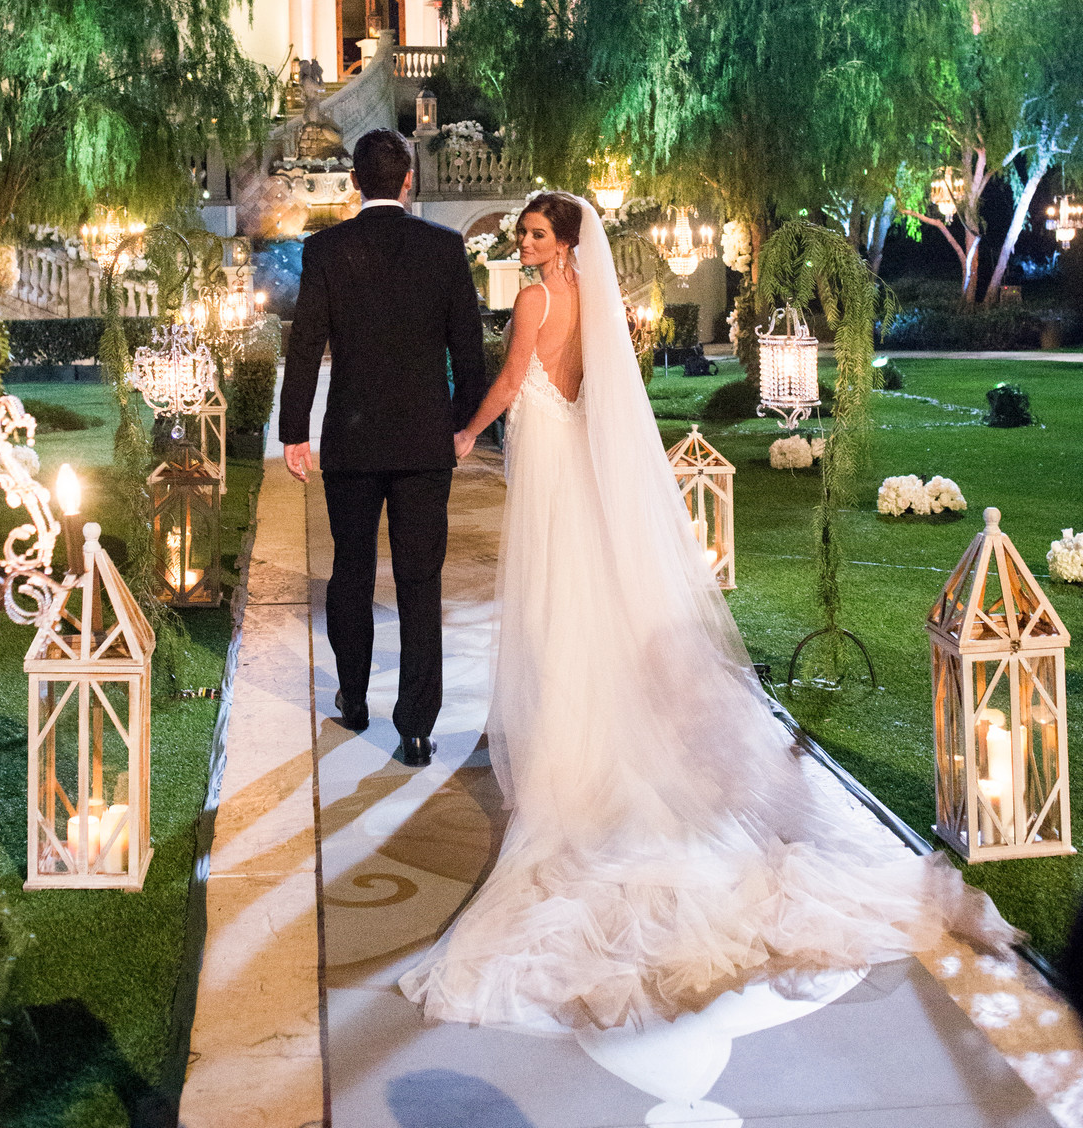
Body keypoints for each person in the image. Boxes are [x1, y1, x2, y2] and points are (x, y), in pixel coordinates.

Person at [400, 192, 1009, 1030]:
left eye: (536, 233)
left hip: (545, 465)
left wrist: (468, 432)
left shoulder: (536, 300)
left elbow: (512, 381)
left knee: (550, 605)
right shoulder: (590, 298)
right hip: (571, 451)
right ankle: (587, 733)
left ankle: (568, 759)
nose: (524, 242)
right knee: (582, 599)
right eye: (523, 234)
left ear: (564, 240)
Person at [279, 127, 487, 767]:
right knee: (420, 582)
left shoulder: (326, 249)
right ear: (408, 180)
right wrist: (465, 426)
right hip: (425, 441)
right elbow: (468, 349)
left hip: (353, 437)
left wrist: (294, 431)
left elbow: (305, 344)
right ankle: (416, 729)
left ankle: (353, 697)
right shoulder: (444, 247)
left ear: (352, 182)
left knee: (351, 570)